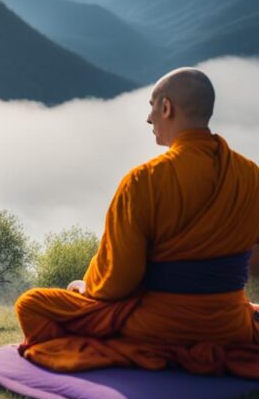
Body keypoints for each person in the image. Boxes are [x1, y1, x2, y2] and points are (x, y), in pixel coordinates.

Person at [15, 67, 259, 377]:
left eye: (152, 106)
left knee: (31, 304)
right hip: (230, 325)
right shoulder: (251, 175)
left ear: (166, 108)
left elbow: (116, 283)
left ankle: (150, 350)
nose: (148, 118)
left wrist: (84, 288)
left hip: (157, 326)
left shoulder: (144, 180)